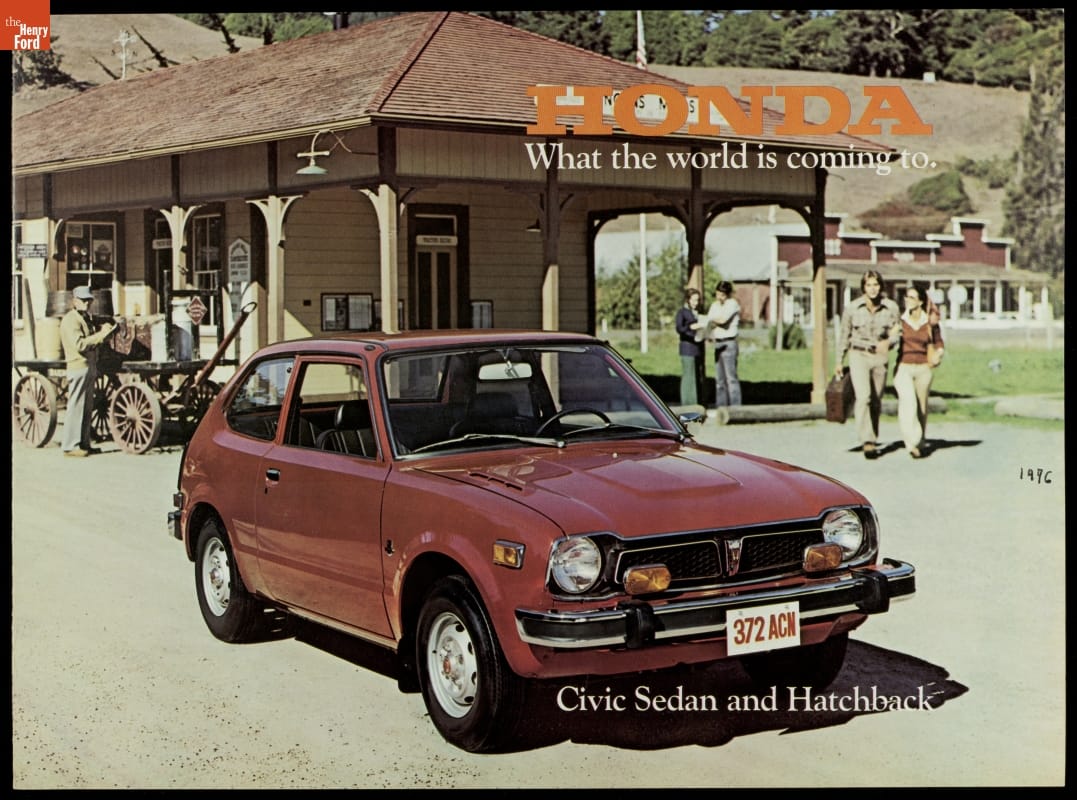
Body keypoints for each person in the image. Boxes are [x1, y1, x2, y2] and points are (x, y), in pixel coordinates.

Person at [835, 270, 901, 459]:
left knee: (876, 399)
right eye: (869, 285)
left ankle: (873, 434)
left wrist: (889, 342)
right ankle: (867, 440)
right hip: (858, 354)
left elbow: (897, 331)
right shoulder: (853, 308)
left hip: (880, 355)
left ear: (881, 287)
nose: (873, 289)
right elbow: (844, 335)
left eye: (876, 285)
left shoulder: (891, 308)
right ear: (863, 287)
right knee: (863, 396)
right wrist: (839, 360)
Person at [59, 286, 117, 457]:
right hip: (78, 366)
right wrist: (101, 334)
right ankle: (70, 446)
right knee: (76, 406)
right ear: (74, 301)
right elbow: (80, 345)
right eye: (83, 300)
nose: (87, 303)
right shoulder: (71, 320)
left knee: (86, 407)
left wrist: (105, 333)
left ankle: (83, 443)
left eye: (88, 300)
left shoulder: (84, 318)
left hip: (88, 367)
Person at [894, 282, 944, 459]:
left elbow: (939, 342)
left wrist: (939, 353)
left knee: (922, 407)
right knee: (908, 402)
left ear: (921, 301)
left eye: (912, 297)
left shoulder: (929, 322)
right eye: (906, 297)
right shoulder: (901, 320)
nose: (908, 300)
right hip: (904, 367)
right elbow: (891, 341)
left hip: (923, 367)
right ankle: (911, 443)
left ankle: (920, 441)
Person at [706, 280, 741, 407]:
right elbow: (708, 321)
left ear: (727, 294)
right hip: (718, 342)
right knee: (719, 380)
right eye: (718, 294)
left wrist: (714, 321)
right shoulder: (715, 305)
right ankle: (721, 406)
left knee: (731, 378)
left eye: (722, 295)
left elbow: (722, 320)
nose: (719, 297)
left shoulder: (732, 304)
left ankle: (735, 408)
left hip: (729, 342)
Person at [674, 287, 706, 406]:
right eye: (693, 300)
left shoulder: (697, 313)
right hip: (687, 348)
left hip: (697, 347)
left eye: (697, 300)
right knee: (689, 377)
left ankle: (696, 402)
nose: (696, 303)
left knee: (696, 376)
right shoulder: (682, 312)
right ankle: (688, 403)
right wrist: (691, 329)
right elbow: (679, 328)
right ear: (688, 300)